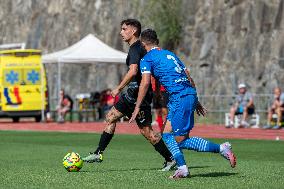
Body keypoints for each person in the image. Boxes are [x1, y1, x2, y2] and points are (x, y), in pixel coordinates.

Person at [129, 29, 236, 179]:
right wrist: (195, 100)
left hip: (180, 97)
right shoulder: (171, 55)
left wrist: (138, 106)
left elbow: (145, 83)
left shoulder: (146, 59)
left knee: (181, 141)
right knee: (166, 134)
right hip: (185, 95)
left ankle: (221, 148)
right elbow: (189, 77)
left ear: (142, 43)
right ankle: (182, 168)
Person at [82, 19, 175, 171]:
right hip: (130, 95)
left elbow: (133, 71)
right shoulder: (138, 48)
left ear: (133, 31)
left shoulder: (136, 48)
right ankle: (98, 153)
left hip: (140, 97)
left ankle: (170, 159)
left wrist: (118, 88)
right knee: (110, 117)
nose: (121, 32)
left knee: (147, 132)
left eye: (124, 29)